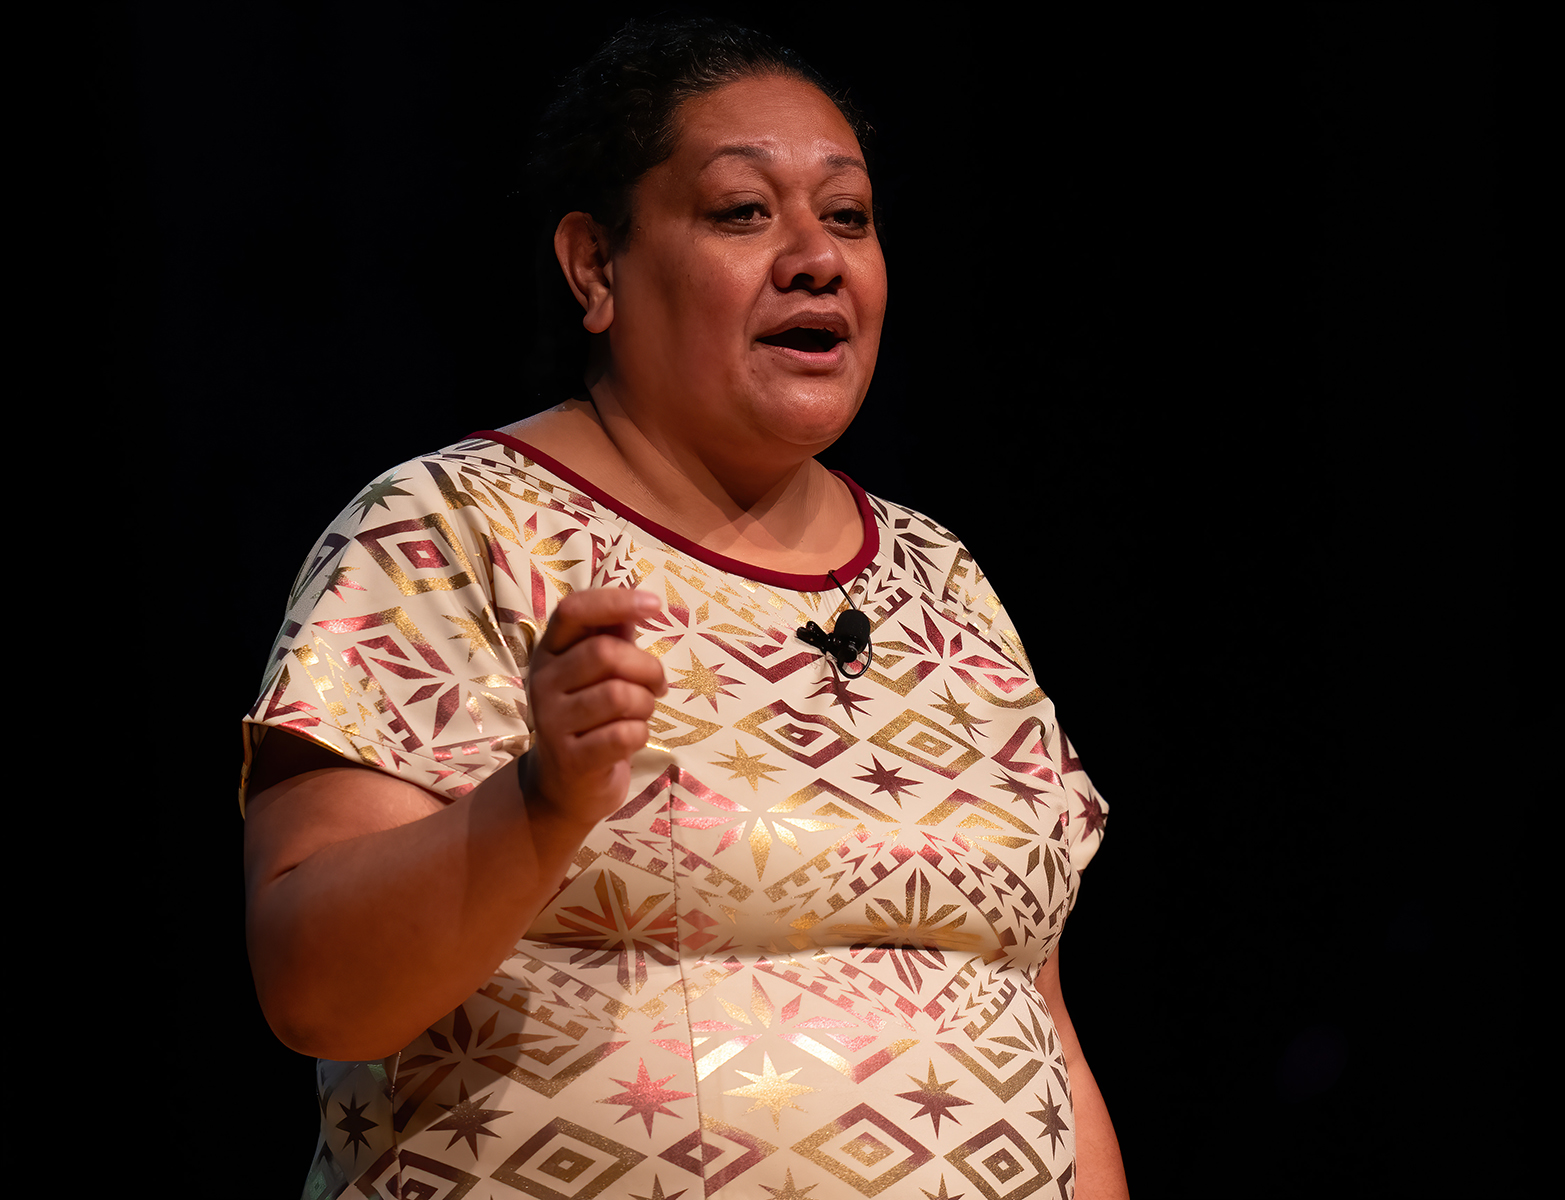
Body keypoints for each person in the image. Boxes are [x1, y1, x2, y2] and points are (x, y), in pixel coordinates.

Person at [242, 18, 1126, 1199]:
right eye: (742, 212)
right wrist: (538, 803)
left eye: (848, 217)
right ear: (595, 268)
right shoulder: (454, 528)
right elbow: (315, 988)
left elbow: (1033, 1015)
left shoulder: (944, 580)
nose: (816, 257)